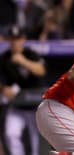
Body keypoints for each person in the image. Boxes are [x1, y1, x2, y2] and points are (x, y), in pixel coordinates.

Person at [0, 26, 46, 155]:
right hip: (17, 106)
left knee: (36, 140)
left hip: (35, 106)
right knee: (10, 134)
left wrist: (23, 61)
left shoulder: (31, 54)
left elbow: (41, 71)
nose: (15, 42)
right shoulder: (4, 58)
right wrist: (4, 89)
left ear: (23, 39)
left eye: (18, 39)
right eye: (13, 39)